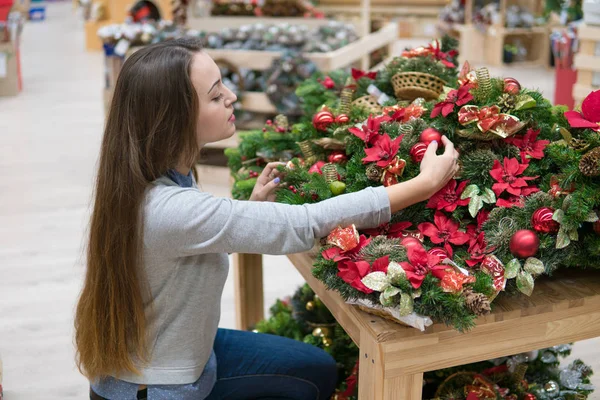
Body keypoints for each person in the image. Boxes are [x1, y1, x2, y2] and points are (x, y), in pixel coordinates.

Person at [74, 37, 460, 400]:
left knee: (315, 368)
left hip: (182, 348)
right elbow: (302, 224)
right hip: (161, 384)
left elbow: (188, 248)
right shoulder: (167, 208)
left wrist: (253, 210)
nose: (232, 97)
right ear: (172, 119)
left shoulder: (150, 176)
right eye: (215, 95)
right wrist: (422, 185)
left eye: (223, 84)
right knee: (312, 376)